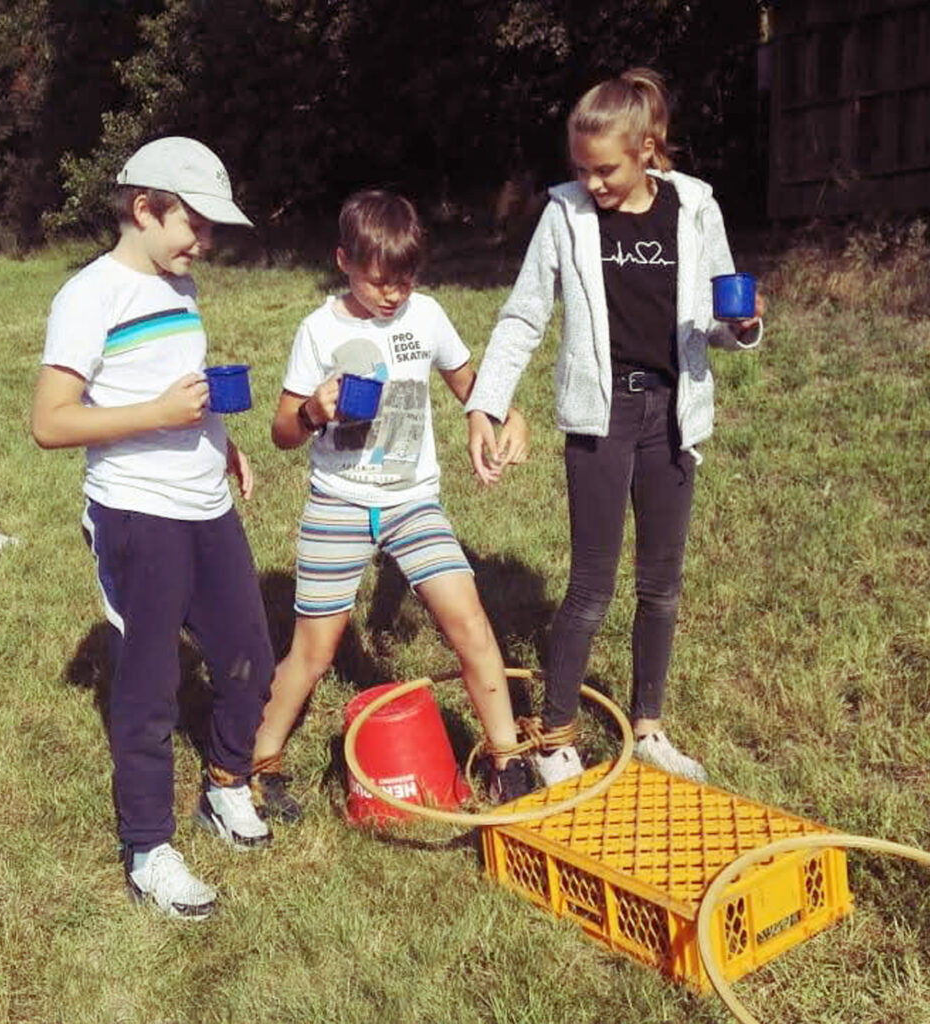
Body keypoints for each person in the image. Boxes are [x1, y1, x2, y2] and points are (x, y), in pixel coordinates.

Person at [466, 69, 765, 786]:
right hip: (602, 417)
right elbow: (522, 316)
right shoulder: (565, 216)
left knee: (661, 585)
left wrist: (744, 328)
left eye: (606, 170)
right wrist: (484, 402)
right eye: (581, 169)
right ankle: (557, 737)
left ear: (648, 151)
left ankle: (650, 726)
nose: (593, 183)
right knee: (592, 584)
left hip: (672, 411)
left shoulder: (695, 209)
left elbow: (720, 324)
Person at [31, 137, 275, 919]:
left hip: (206, 504)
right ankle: (148, 847)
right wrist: (160, 415)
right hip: (137, 512)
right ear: (144, 209)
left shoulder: (183, 286)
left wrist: (222, 444)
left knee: (248, 656)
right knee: (148, 685)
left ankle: (227, 785)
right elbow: (50, 421)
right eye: (194, 225)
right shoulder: (89, 296)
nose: (203, 243)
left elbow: (183, 393)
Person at [250, 189, 535, 822]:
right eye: (379, 281)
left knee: (469, 622)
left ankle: (507, 757)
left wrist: (505, 414)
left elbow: (472, 388)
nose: (392, 295)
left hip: (413, 504)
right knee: (315, 651)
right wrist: (311, 411)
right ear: (343, 260)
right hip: (338, 505)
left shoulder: (426, 318)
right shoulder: (319, 330)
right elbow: (280, 432)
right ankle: (258, 761)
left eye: (405, 281)